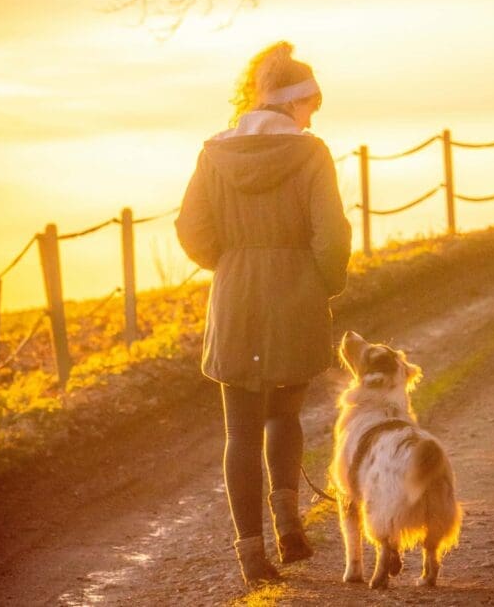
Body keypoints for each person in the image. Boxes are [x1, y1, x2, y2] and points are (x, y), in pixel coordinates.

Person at [174, 41, 352, 587]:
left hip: (236, 297)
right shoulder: (312, 152)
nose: (311, 119)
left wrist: (230, 264)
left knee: (240, 432)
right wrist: (320, 286)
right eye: (311, 108)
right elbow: (333, 236)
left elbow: (191, 230)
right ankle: (288, 523)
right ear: (298, 103)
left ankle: (252, 555)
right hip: (294, 296)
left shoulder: (213, 153)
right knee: (284, 415)